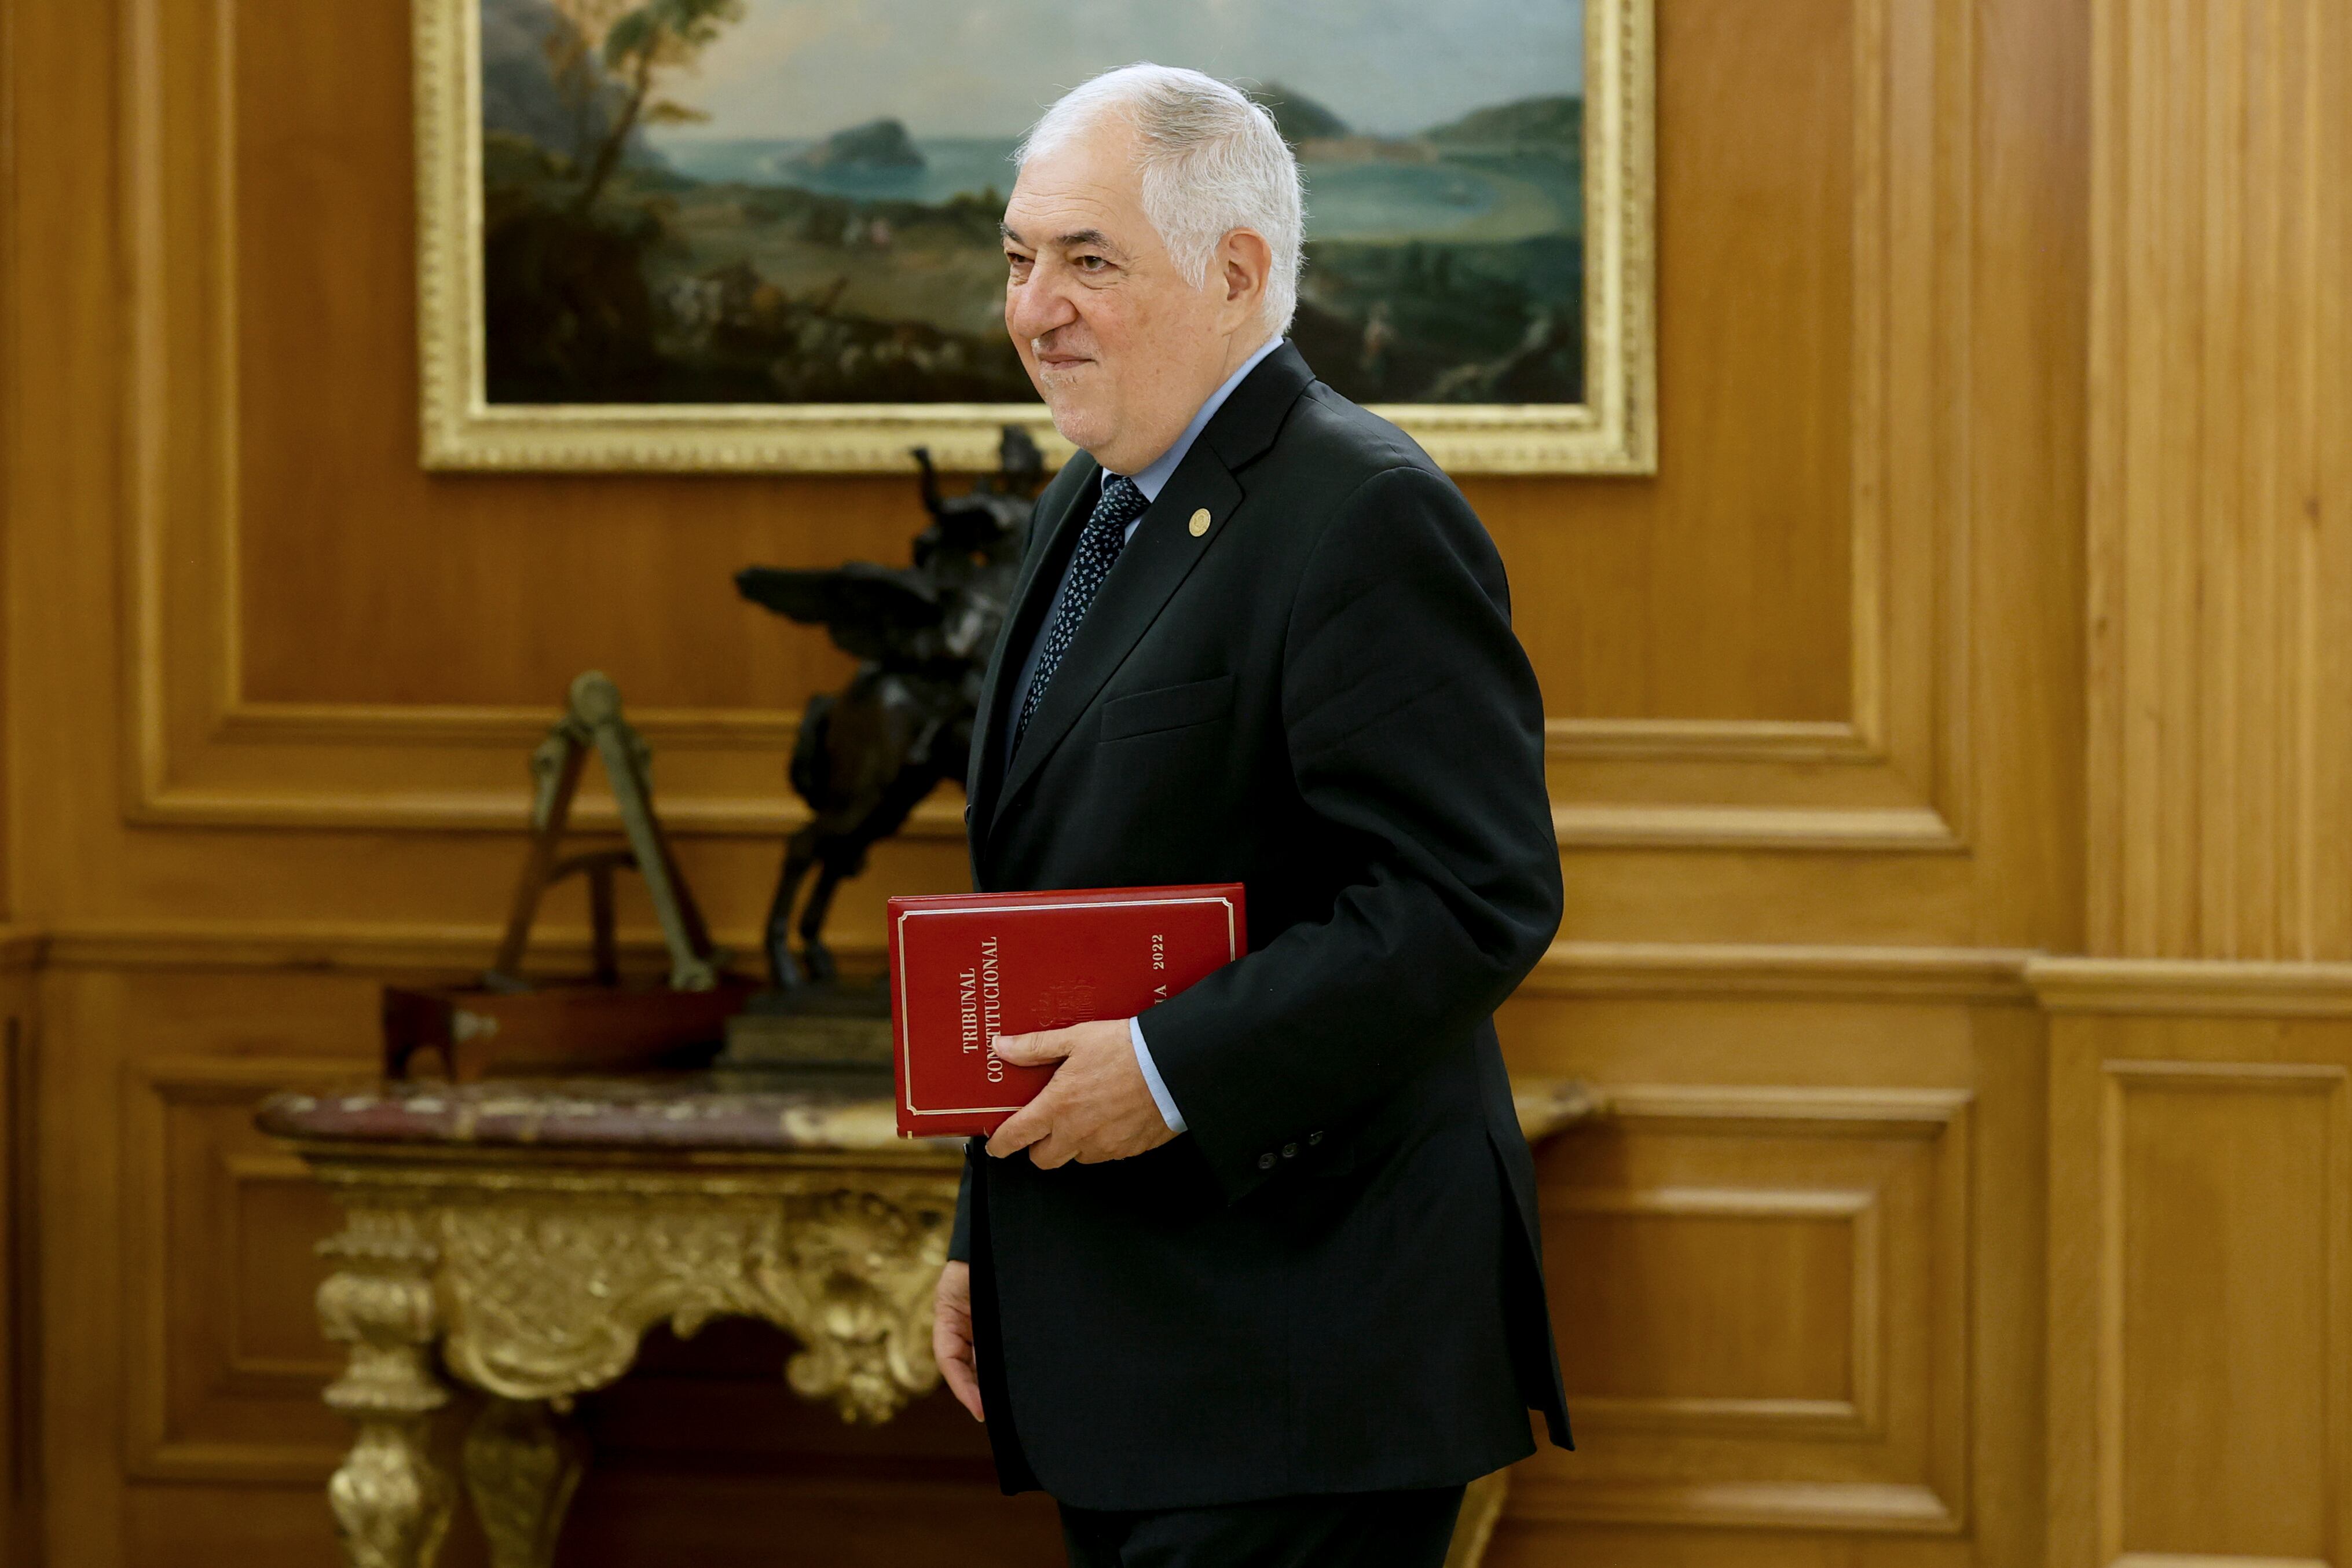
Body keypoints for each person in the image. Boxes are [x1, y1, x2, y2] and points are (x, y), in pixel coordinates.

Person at [931, 63, 1571, 1568]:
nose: (1036, 310)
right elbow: (1051, 901)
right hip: (1142, 1336)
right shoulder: (1083, 504)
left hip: (1305, 1344)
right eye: (1020, 260)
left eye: (1089, 261)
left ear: (1236, 273)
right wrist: (987, 1230)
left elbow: (1468, 895)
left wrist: (1167, 1067)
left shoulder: (1361, 509)